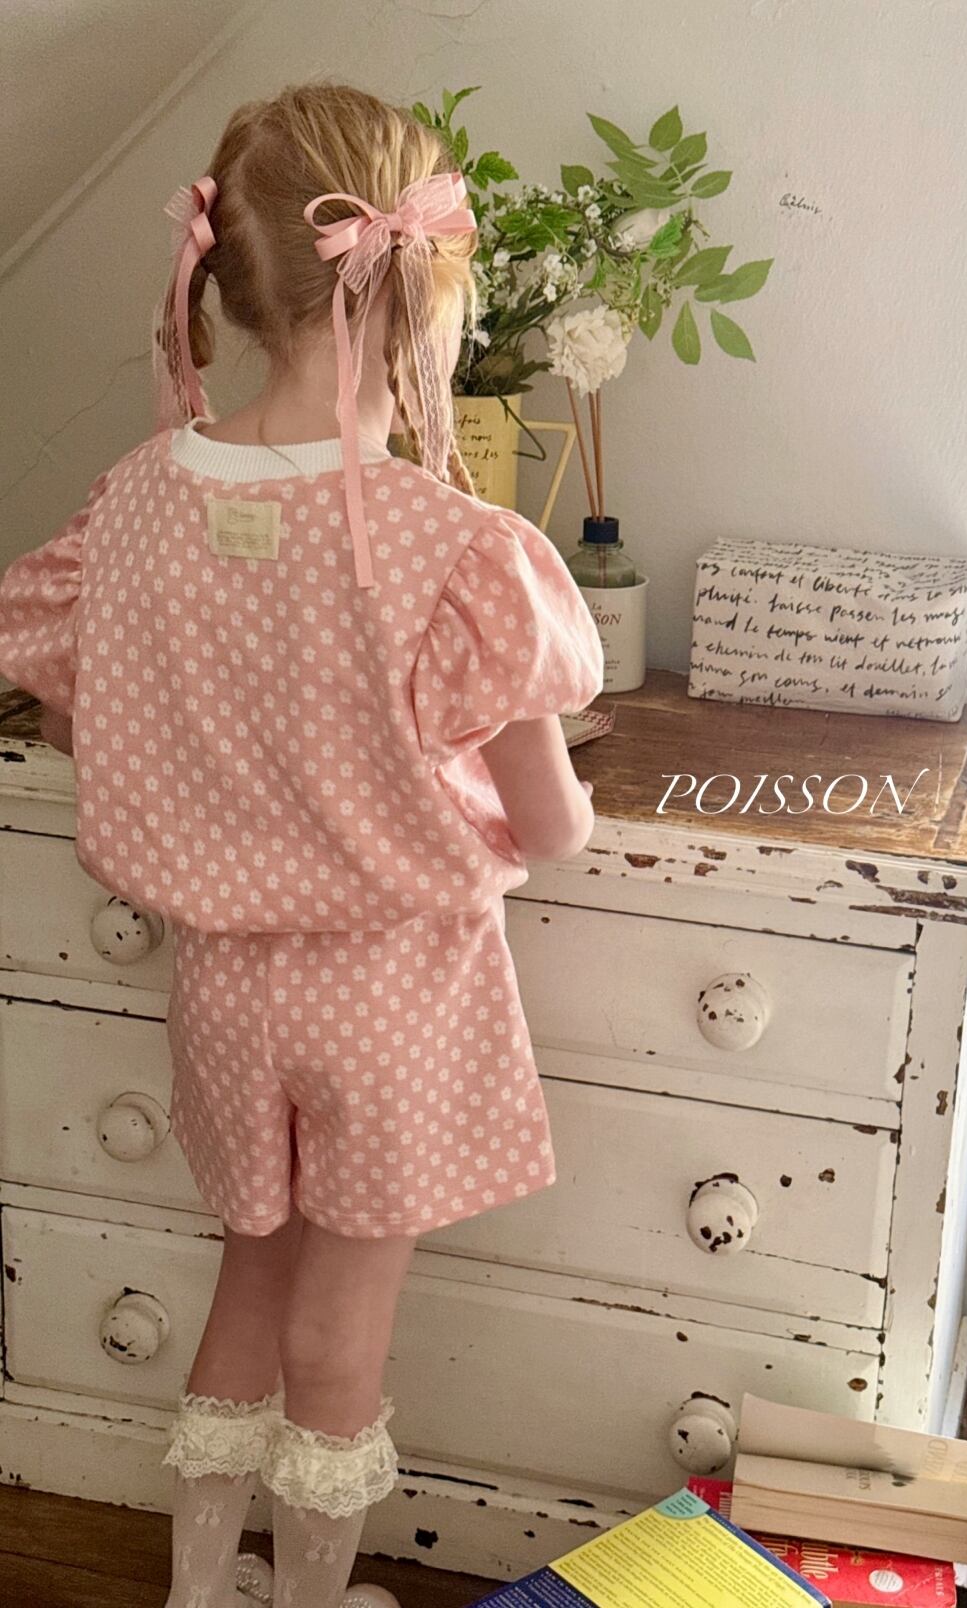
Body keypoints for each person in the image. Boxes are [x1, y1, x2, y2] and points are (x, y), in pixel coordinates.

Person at [0, 83, 604, 1608]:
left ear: (232, 281)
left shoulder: (133, 505)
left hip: (219, 986)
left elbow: (76, 716)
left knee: (246, 1286)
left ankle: (203, 1592)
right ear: (422, 293)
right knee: (341, 1334)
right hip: (391, 992)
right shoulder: (451, 549)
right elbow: (551, 827)